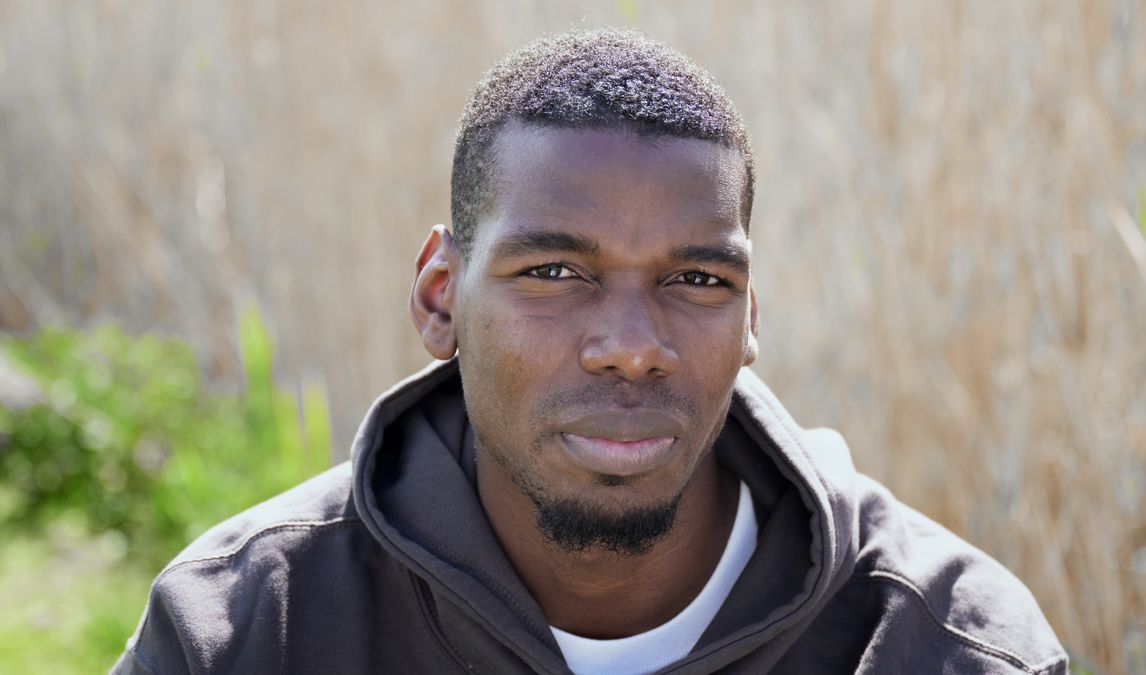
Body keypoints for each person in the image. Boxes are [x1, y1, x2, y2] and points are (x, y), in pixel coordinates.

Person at [114, 29, 1067, 674]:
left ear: (751, 318)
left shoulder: (939, 644)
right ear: (440, 297)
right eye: (556, 273)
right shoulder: (248, 629)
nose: (631, 349)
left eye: (696, 282)